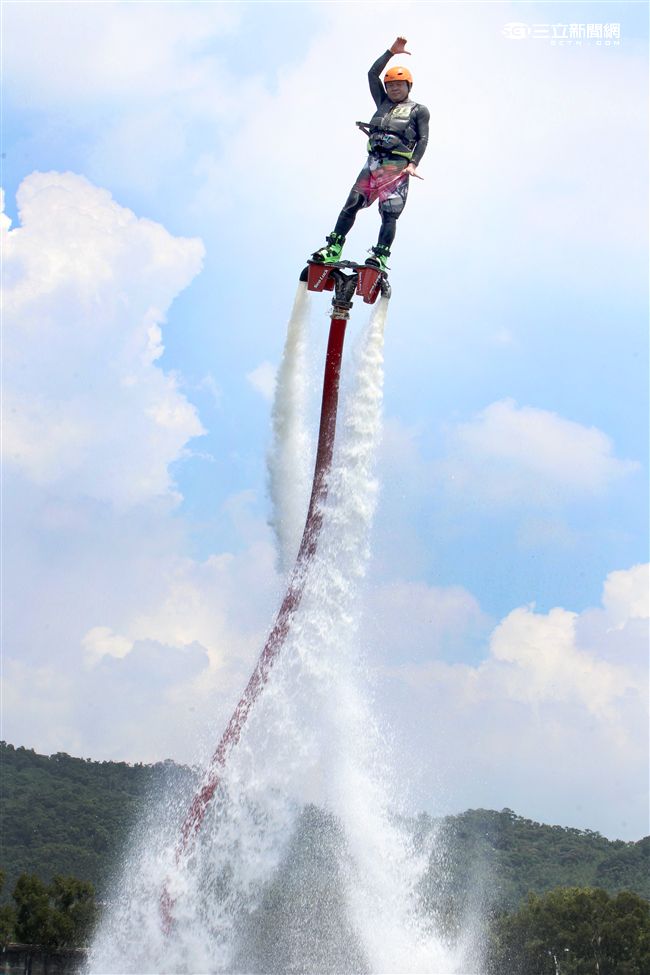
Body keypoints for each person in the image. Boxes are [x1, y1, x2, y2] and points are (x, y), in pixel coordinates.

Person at [312, 37, 429, 272]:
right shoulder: (382, 102)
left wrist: (413, 163)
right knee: (351, 204)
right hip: (373, 162)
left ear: (408, 86)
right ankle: (333, 247)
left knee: (388, 212)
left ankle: (380, 255)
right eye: (391, 85)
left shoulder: (419, 110)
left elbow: (424, 139)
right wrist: (390, 52)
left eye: (399, 84)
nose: (394, 88)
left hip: (396, 165)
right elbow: (372, 74)